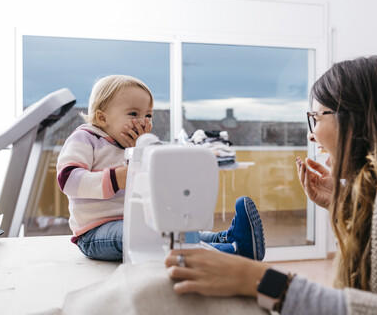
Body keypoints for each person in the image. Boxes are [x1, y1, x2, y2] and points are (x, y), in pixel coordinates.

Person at [165, 56, 377, 314]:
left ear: (355, 118)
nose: (311, 135)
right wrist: (342, 205)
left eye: (315, 117)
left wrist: (263, 280)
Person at [57, 75, 265, 262]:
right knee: (154, 236)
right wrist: (118, 178)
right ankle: (227, 253)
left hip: (140, 222)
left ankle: (229, 240)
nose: (143, 121)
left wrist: (202, 152)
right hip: (95, 231)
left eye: (148, 116)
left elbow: (167, 159)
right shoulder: (86, 138)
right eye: (133, 114)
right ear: (102, 118)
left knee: (179, 231)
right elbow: (68, 179)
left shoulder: (145, 144)